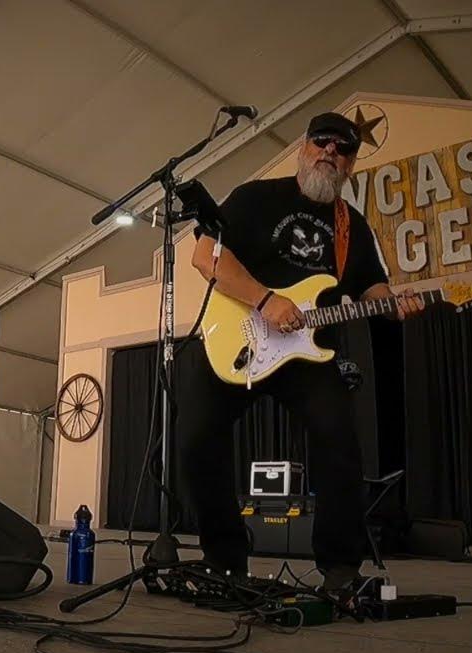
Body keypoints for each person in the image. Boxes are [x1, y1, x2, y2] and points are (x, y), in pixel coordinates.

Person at [179, 111, 424, 593]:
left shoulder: (351, 225)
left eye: (344, 148)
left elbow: (371, 287)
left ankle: (340, 569)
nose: (331, 152)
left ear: (352, 164)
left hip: (308, 351)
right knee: (196, 439)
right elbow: (205, 254)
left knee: (340, 443)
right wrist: (265, 300)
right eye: (323, 141)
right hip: (242, 336)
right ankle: (225, 560)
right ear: (304, 147)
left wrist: (394, 305)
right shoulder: (256, 197)